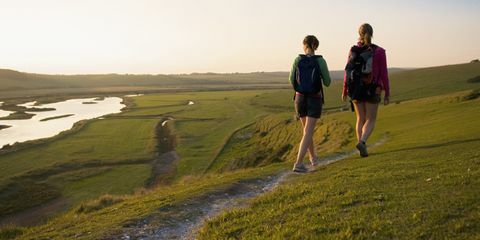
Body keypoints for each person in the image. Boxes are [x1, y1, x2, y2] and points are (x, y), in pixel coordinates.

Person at [342, 23, 390, 157]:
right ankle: (362, 142)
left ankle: (361, 145)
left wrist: (345, 89)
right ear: (372, 34)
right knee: (371, 118)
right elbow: (383, 74)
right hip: (373, 88)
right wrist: (387, 92)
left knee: (360, 118)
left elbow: (347, 71)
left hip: (355, 88)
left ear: (359, 34)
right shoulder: (379, 51)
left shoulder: (353, 50)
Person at [289, 35, 331, 173]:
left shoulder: (297, 59)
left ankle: (313, 158)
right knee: (308, 132)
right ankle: (298, 163)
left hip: (299, 99)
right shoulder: (320, 61)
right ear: (315, 46)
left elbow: (291, 79)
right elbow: (327, 82)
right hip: (314, 98)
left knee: (307, 131)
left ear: (305, 45)